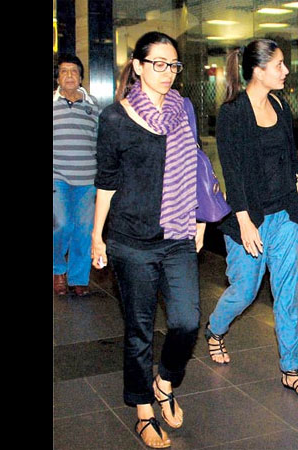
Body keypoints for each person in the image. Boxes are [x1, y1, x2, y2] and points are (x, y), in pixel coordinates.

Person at [91, 31, 206, 448]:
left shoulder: (183, 110)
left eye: (173, 64)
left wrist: (200, 220)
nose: (167, 72)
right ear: (138, 66)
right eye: (158, 63)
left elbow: (196, 167)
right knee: (139, 331)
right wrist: (97, 236)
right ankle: (142, 410)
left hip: (177, 234)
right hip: (131, 239)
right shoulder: (114, 118)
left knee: (187, 321)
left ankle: (165, 381)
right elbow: (106, 182)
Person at [204, 39, 298, 399]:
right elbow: (232, 171)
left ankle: (291, 369)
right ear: (258, 70)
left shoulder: (280, 106)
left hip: (284, 214)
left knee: (286, 294)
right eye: (279, 65)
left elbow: (291, 159)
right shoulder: (232, 113)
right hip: (248, 217)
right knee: (245, 291)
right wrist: (244, 221)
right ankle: (215, 329)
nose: (285, 71)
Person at [53, 54, 100, 296]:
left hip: (88, 178)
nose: (69, 75)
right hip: (57, 177)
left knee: (84, 228)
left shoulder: (94, 107)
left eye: (74, 71)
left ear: (81, 77)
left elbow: (100, 142)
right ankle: (57, 270)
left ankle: (78, 278)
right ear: (58, 78)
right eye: (64, 71)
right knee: (61, 224)